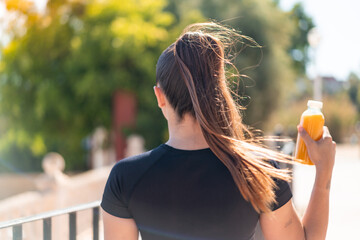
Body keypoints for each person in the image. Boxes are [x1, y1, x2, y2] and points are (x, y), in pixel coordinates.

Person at [101, 22, 336, 240]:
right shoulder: (259, 173)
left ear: (160, 97)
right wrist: (323, 174)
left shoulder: (125, 178)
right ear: (220, 93)